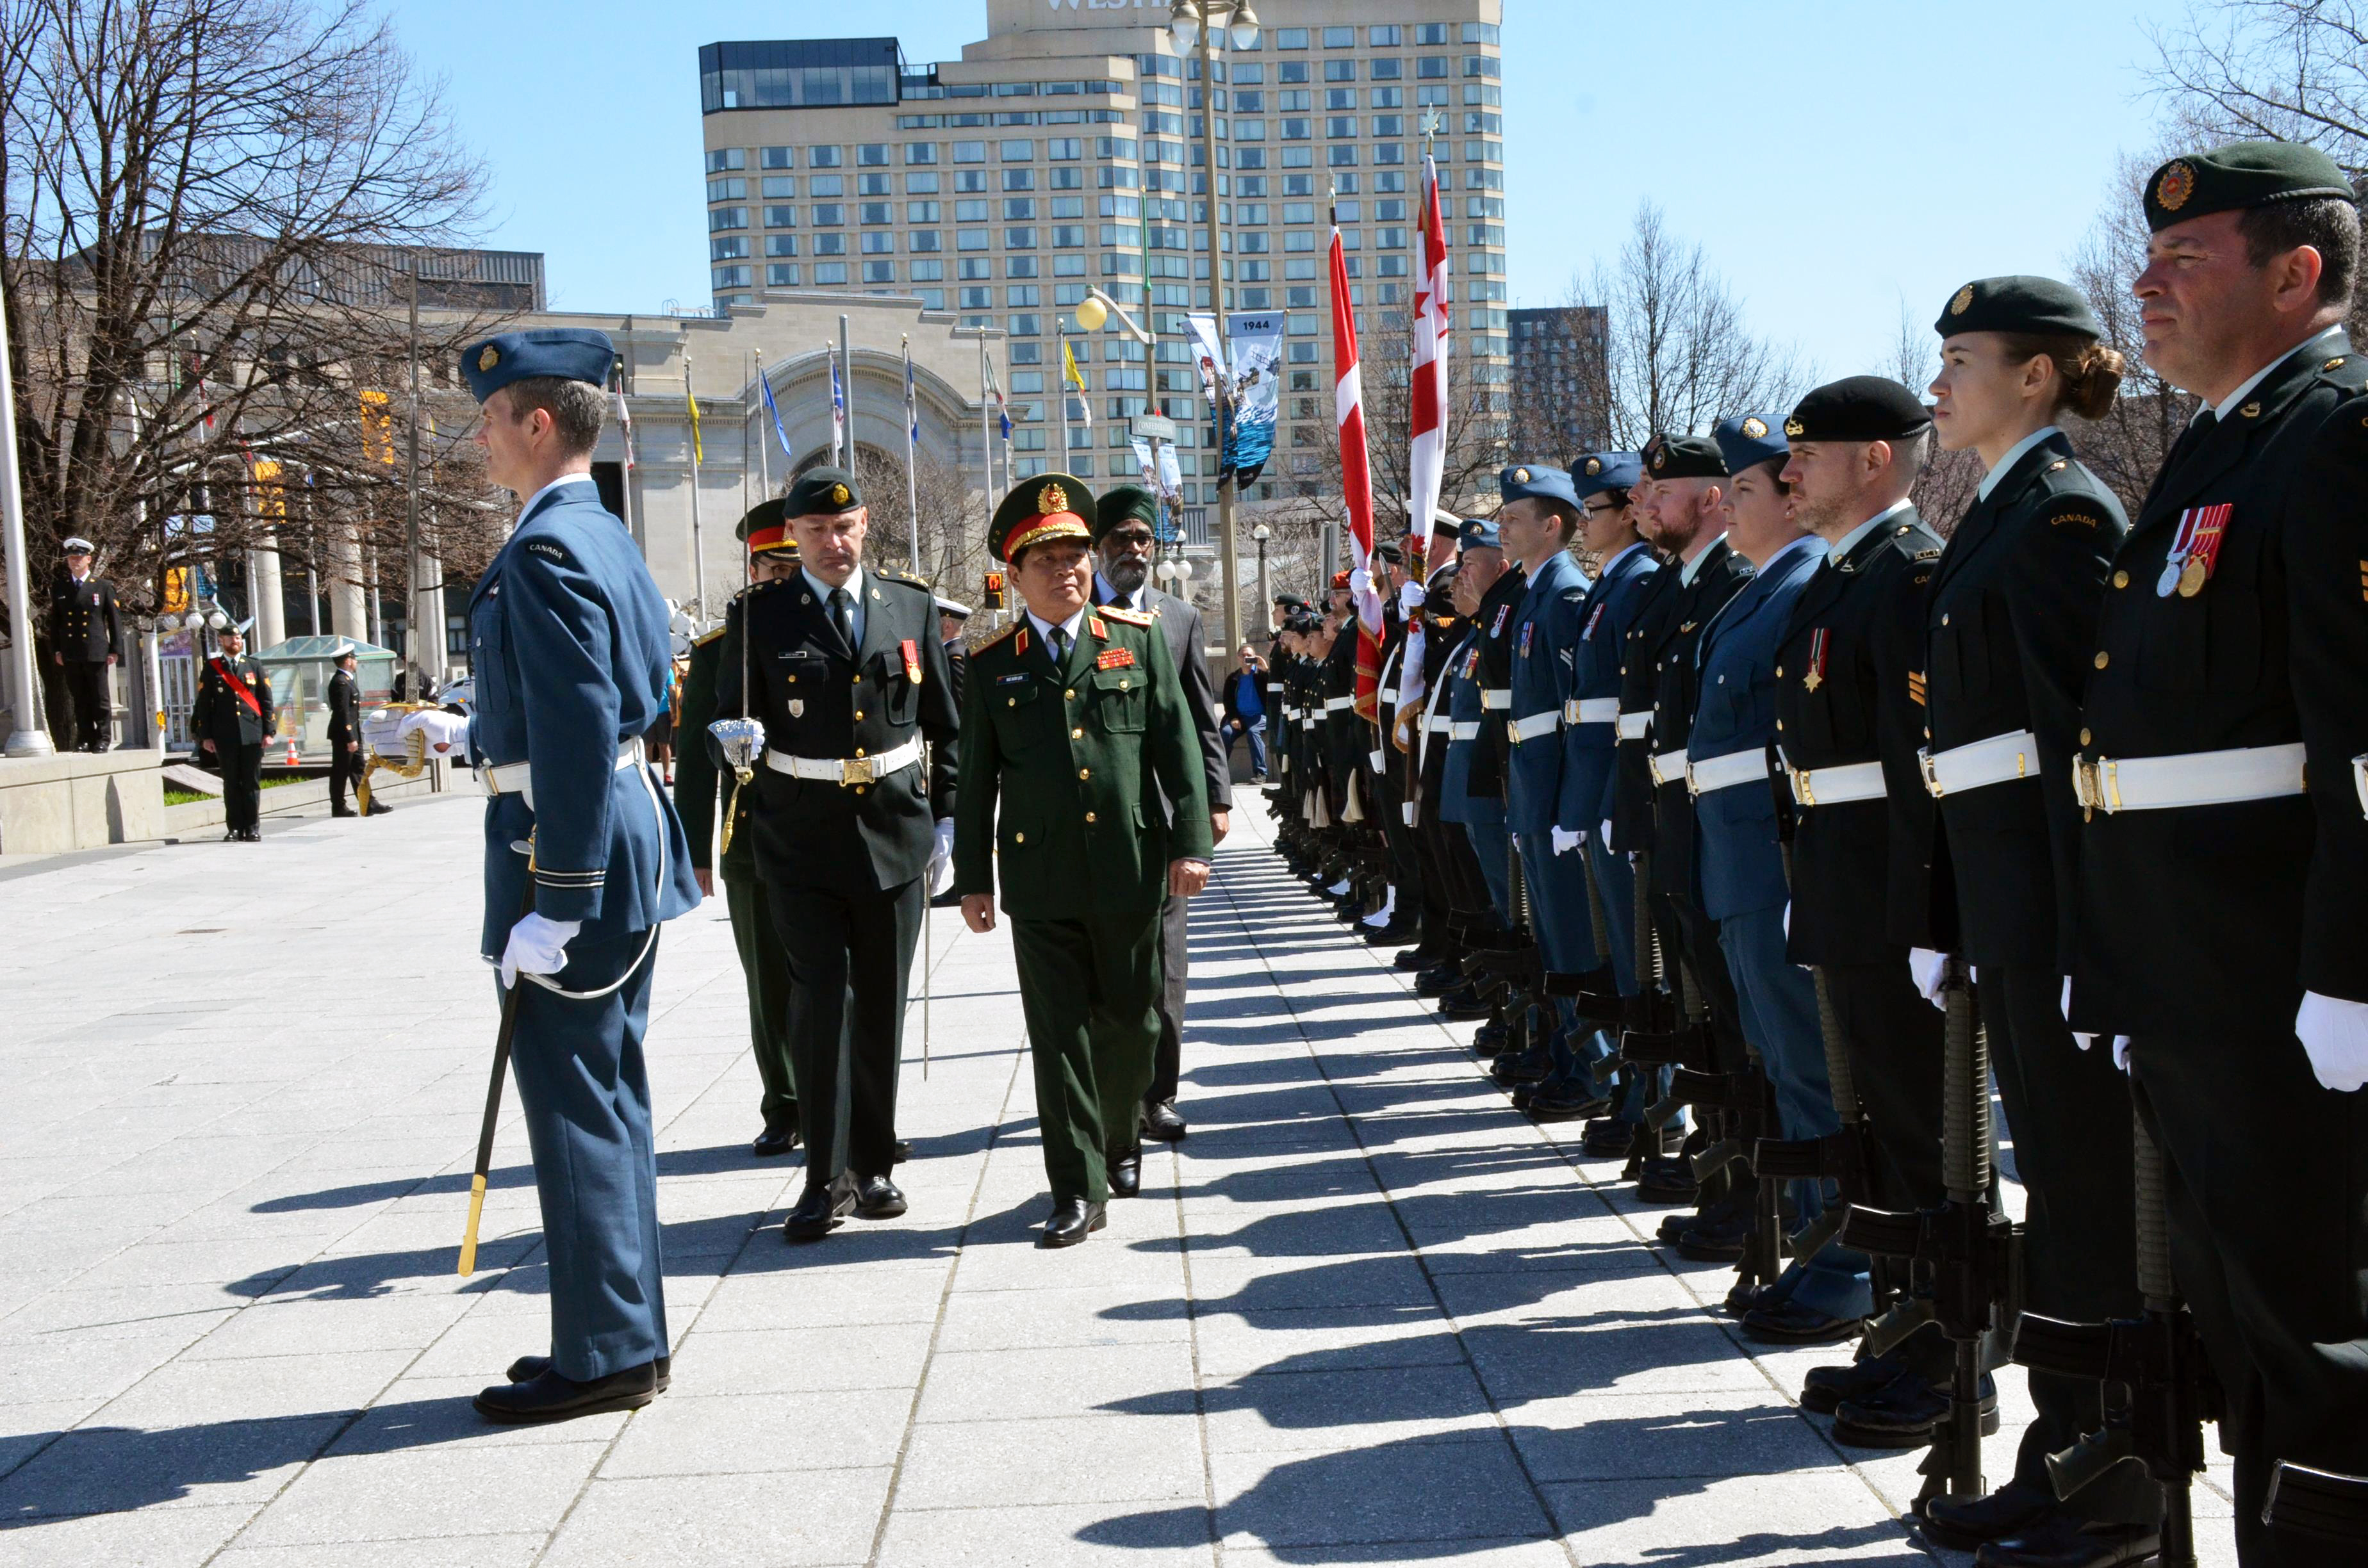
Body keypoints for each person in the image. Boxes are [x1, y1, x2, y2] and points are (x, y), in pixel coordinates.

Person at [2067, 142, 2368, 1568]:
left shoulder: (2340, 437)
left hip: (2285, 992)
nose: (2148, 285)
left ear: (2298, 275)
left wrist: (2353, 975)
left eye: (2188, 262)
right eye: (2150, 262)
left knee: (2322, 1340)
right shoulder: (2218, 448)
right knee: (2244, 1330)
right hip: (2196, 983)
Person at [401, 327, 701, 1424]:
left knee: (576, 1104)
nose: (477, 436)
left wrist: (558, 901)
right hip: (616, 826)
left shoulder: (545, 549)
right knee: (608, 1095)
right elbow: (627, 701)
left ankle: (607, 1351)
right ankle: (620, 1333)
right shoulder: (599, 534)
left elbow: (578, 723)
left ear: (537, 422)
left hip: (565, 847)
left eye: (489, 417)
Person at [954, 473, 1212, 1246]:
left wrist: (1193, 842)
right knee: (1058, 1035)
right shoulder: (994, 662)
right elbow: (976, 783)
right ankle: (1076, 1187)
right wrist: (974, 876)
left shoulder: (1135, 643)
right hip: (1041, 878)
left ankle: (1119, 1134)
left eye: (1075, 554)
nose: (1067, 568)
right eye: (1047, 559)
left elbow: (1178, 746)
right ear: (1015, 573)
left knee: (1132, 1025)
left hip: (1132, 865)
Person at [714, 466, 959, 1243]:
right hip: (799, 837)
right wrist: (736, 748)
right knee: (821, 1004)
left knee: (883, 1001)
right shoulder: (759, 616)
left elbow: (948, 726)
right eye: (816, 531)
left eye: (846, 526)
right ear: (794, 536)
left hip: (894, 831)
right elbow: (728, 723)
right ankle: (824, 1179)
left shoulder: (910, 606)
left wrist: (948, 821)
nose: (834, 542)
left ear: (867, 525)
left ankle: (875, 1161)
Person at [1759, 378, 1947, 1362]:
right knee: (1868, 1118)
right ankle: (1895, 1318)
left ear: (1875, 460)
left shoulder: (1910, 577)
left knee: (1921, 1129)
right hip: (1839, 880)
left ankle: (1944, 1347)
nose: (1789, 472)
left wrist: (1925, 915)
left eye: (1807, 454)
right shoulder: (1840, 575)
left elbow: (1922, 771)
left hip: (1887, 891)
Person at [1684, 407, 1862, 1337]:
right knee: (1784, 1058)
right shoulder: (1763, 585)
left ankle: (1844, 1261)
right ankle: (1814, 1244)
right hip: (1737, 856)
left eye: (1747, 489)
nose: (1733, 504)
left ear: (1793, 504)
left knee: (1810, 1062)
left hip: (1773, 856)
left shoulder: (1802, 585)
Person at [1090, 485, 1231, 1143]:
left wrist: (1217, 799)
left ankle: (1157, 1093)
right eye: (1121, 538)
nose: (1135, 550)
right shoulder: (1074, 611)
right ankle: (1100, 1089)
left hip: (1166, 812)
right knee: (1099, 959)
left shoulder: (1178, 616)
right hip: (1095, 815)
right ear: (1098, 546)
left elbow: (1203, 719)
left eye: (1144, 539)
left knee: (1168, 958)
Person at [675, 502, 805, 1158]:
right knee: (769, 983)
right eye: (771, 566)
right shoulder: (721, 648)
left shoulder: (826, 632)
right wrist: (696, 850)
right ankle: (783, 1103)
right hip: (752, 837)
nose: (781, 578)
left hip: (822, 834)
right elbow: (697, 757)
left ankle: (841, 1102)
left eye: (792, 566)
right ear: (751, 567)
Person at [1495, 463, 1606, 1111]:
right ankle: (1572, 1061)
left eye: (1515, 518)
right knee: (1555, 939)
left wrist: (1572, 808)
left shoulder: (1563, 595)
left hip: (1556, 797)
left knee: (1573, 937)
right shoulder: (1536, 593)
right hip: (1534, 794)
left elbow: (1574, 716)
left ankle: (1594, 1074)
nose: (1504, 527)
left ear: (1553, 525)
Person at [189, 623, 273, 842]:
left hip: (252, 733)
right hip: (225, 736)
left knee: (251, 782)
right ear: (222, 641)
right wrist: (205, 736)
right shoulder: (212, 667)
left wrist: (269, 731)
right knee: (231, 783)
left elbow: (266, 700)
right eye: (229, 639)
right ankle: (235, 828)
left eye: (237, 639)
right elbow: (204, 705)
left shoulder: (254, 665)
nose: (234, 642)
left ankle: (253, 828)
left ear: (241, 641)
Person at [47, 537, 124, 753]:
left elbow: (114, 619)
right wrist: (57, 649)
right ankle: (84, 738)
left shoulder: (102, 586)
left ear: (88, 559)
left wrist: (115, 649)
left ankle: (102, 738)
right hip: (72, 650)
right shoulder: (61, 587)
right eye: (71, 558)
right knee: (79, 698)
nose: (75, 562)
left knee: (99, 697)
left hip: (96, 650)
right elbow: (55, 622)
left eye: (79, 558)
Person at [325, 644, 387, 818]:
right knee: (341, 771)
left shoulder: (347, 680)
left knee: (359, 768)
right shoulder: (340, 683)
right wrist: (350, 738)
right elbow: (342, 712)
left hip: (352, 735)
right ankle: (338, 807)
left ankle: (369, 803)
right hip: (345, 736)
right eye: (354, 659)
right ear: (348, 661)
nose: (356, 662)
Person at [1222, 644, 1268, 780]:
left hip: (1259, 716)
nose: (1246, 658)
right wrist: (1233, 718)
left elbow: (1274, 689)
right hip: (1239, 717)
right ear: (1238, 658)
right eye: (1243, 655)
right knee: (1225, 733)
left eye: (1249, 656)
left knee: (1253, 732)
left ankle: (1261, 773)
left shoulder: (1261, 675)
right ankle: (1219, 773)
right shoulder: (1233, 678)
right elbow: (1228, 701)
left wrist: (1265, 670)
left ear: (1255, 657)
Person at [935, 595, 973, 715]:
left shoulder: (954, 657)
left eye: (934, 622)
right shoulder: (958, 651)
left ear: (947, 626)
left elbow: (960, 703)